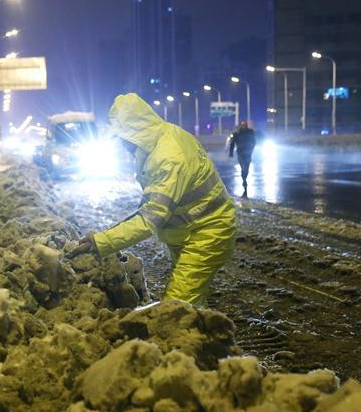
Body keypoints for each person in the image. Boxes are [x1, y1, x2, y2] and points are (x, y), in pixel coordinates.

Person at [68, 93, 236, 306]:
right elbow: (150, 206)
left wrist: (101, 242)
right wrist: (101, 238)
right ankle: (205, 334)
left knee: (176, 308)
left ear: (134, 131)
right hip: (190, 232)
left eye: (123, 137)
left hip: (207, 234)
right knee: (191, 304)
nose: (122, 144)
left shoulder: (168, 157)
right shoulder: (162, 139)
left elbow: (150, 218)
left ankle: (192, 337)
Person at [227, 121, 256, 197]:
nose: (243, 127)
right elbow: (232, 143)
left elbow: (254, 141)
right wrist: (231, 153)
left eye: (244, 125)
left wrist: (251, 149)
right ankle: (244, 180)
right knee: (243, 167)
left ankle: (244, 179)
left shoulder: (250, 132)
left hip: (248, 153)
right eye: (242, 125)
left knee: (246, 168)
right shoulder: (236, 134)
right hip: (240, 153)